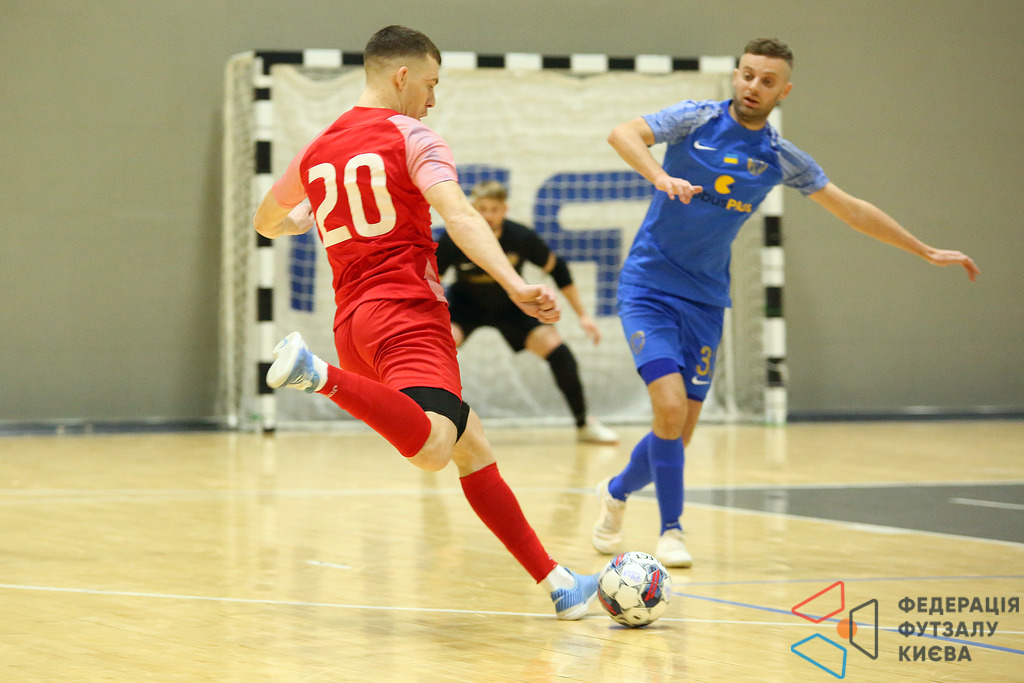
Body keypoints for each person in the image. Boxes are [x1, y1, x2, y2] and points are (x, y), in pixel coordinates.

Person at [252, 25, 598, 619]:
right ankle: (317, 375)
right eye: (431, 84)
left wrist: (298, 220)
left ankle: (557, 581)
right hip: (406, 314)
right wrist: (514, 284)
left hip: (353, 323)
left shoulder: (317, 149)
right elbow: (460, 217)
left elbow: (264, 221)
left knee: (471, 444)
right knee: (436, 448)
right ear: (402, 76)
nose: (433, 99)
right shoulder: (413, 136)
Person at [592, 37, 980, 568]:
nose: (754, 86)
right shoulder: (696, 118)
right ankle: (672, 531)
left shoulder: (778, 156)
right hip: (648, 286)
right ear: (736, 76)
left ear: (784, 92)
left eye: (767, 81)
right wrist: (659, 175)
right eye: (748, 75)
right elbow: (623, 133)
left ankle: (615, 491)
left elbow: (851, 209)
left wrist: (924, 250)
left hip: (705, 298)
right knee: (670, 405)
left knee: (677, 433)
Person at [435, 180, 619, 444]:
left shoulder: (520, 237)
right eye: (482, 208)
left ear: (505, 210)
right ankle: (436, 426)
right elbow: (433, 280)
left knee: (559, 352)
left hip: (512, 306)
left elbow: (558, 269)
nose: (488, 215)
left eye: (494, 209)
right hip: (466, 304)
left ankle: (583, 424)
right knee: (439, 351)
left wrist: (583, 316)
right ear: (473, 208)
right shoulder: (456, 237)